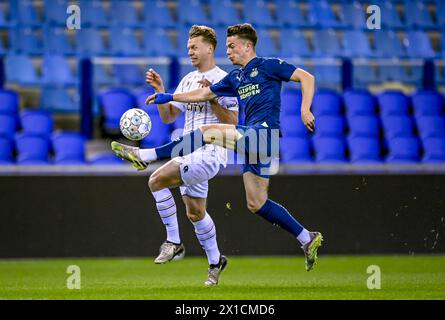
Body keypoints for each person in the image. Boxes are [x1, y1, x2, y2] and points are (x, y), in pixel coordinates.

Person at [113, 23, 323, 271]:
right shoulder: (235, 77)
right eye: (227, 47)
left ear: (248, 46)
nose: (229, 51)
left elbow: (306, 77)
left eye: (232, 46)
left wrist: (305, 108)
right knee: (256, 203)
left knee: (206, 133)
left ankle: (145, 155)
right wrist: (168, 96)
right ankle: (307, 238)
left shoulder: (268, 65)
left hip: (264, 134)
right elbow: (203, 94)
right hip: (253, 143)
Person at [114, 25, 239, 287]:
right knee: (195, 213)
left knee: (156, 180)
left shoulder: (225, 80)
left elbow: (233, 122)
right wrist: (162, 92)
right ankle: (216, 262)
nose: (190, 52)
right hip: (187, 151)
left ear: (209, 48)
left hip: (210, 152)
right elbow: (170, 116)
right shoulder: (187, 80)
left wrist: (213, 97)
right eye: (188, 48)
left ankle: (173, 241)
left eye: (194, 47)